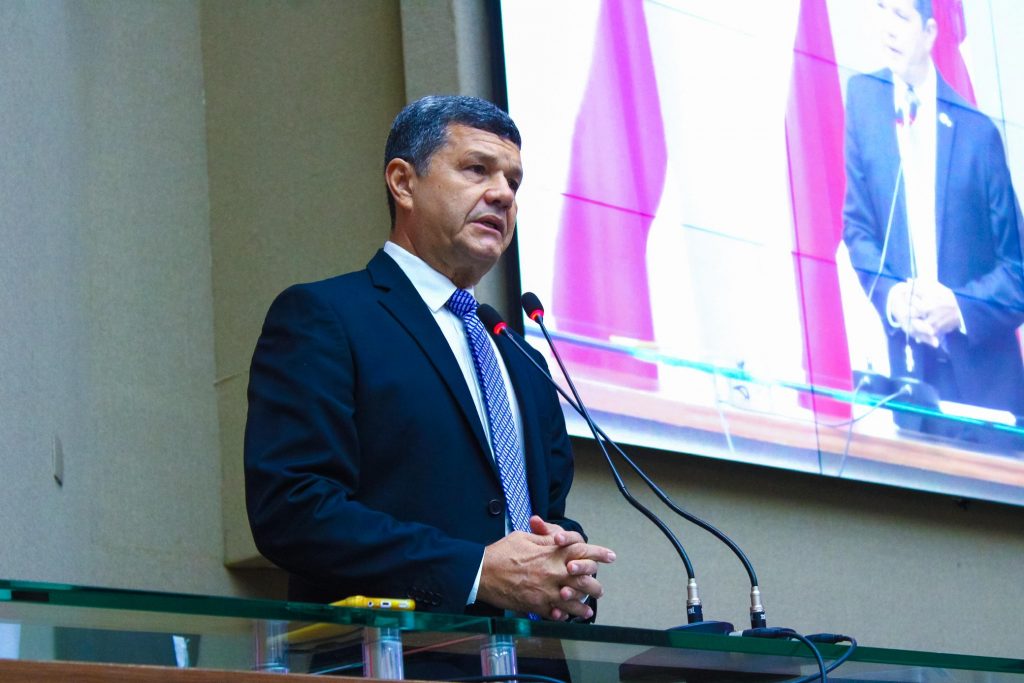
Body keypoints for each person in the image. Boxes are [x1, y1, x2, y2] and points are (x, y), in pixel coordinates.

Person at [244, 95, 614, 629]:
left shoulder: (522, 358)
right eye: (477, 169)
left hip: (531, 659)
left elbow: (542, 514)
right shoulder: (326, 317)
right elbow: (293, 509)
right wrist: (474, 571)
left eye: (513, 182)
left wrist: (567, 566)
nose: (502, 194)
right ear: (403, 183)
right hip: (395, 655)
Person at [842, 0, 1024, 443]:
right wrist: (892, 297)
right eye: (881, 9)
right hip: (910, 385)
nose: (887, 27)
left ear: (929, 33)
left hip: (986, 390)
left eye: (901, 16)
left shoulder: (977, 133)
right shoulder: (864, 102)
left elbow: (1018, 274)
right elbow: (858, 230)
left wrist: (958, 308)